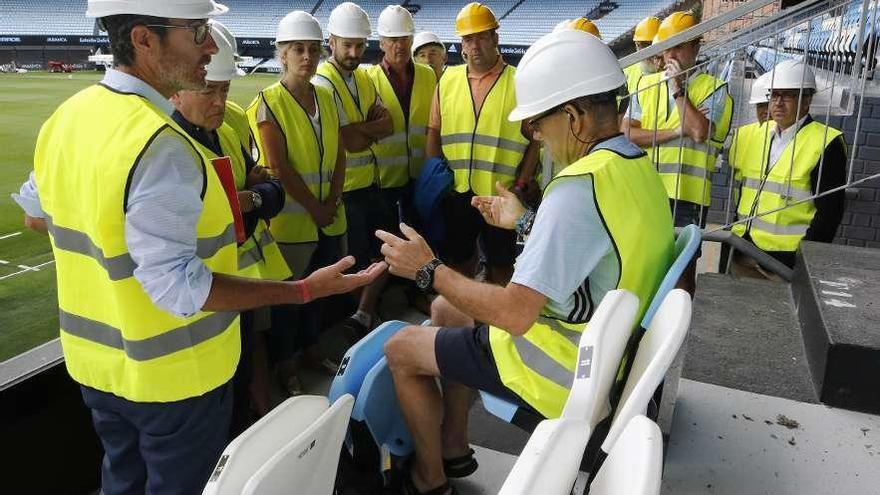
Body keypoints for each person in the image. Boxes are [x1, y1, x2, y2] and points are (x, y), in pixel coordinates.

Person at [11, 2, 384, 493]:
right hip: (174, 379)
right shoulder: (161, 145)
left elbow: (36, 216)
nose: (210, 45)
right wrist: (302, 292)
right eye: (197, 31)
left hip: (95, 369)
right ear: (144, 39)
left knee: (121, 480)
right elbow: (180, 289)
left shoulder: (68, 117)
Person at [377, 30, 674, 495]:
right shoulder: (634, 166)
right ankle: (453, 446)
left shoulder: (576, 187)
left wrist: (428, 269)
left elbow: (516, 314)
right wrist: (524, 223)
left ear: (573, 117)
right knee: (443, 313)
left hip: (562, 366)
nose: (536, 136)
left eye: (538, 123)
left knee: (400, 348)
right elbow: (598, 246)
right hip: (605, 353)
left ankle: (428, 479)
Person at [170, 20, 289, 431]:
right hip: (188, 304)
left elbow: (271, 188)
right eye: (210, 89)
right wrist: (251, 200)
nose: (220, 101)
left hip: (237, 277)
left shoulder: (236, 119)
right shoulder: (160, 140)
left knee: (246, 356)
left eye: (225, 88)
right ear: (179, 82)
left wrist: (252, 198)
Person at [245, 11, 352, 394]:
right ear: (282, 55)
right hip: (292, 225)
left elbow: (339, 152)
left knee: (319, 296)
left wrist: (333, 198)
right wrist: (317, 207)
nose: (306, 57)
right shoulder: (267, 103)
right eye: (297, 50)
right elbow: (279, 167)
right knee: (291, 301)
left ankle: (311, 351)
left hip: (327, 217)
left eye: (312, 49)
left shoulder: (326, 96)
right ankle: (286, 367)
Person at [426, 2, 540, 284]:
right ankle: (463, 320)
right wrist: (436, 178)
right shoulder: (447, 80)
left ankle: (496, 325)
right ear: (461, 44)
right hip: (457, 191)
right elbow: (434, 132)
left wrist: (521, 185)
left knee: (501, 267)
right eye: (468, 38)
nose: (474, 45)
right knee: (458, 263)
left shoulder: (518, 83)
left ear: (495, 39)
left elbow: (536, 141)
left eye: (481, 37)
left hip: (501, 194)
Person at [621, 10, 733, 294]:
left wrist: (677, 89)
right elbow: (627, 134)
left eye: (678, 46)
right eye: (666, 46)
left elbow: (699, 131)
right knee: (643, 265)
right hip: (648, 190)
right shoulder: (645, 85)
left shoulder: (715, 89)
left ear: (695, 46)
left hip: (687, 197)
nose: (670, 54)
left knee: (682, 273)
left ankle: (677, 332)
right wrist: (675, 132)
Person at [314, 2, 395, 336]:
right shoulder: (323, 82)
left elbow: (387, 124)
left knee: (385, 251)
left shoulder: (362, 78)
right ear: (331, 41)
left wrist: (362, 130)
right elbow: (348, 141)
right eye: (347, 44)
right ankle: (358, 315)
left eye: (360, 45)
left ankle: (364, 313)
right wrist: (367, 129)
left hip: (370, 185)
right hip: (345, 189)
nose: (354, 51)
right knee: (356, 259)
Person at [731, 60, 846, 276]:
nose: (778, 103)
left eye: (788, 95)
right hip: (742, 248)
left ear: (807, 100)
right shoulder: (758, 134)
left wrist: (803, 261)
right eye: (774, 95)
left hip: (785, 261)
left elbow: (830, 213)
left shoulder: (826, 142)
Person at [624, 16, 662, 98]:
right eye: (645, 45)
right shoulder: (626, 72)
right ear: (637, 45)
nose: (650, 51)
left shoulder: (674, 70)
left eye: (653, 44)